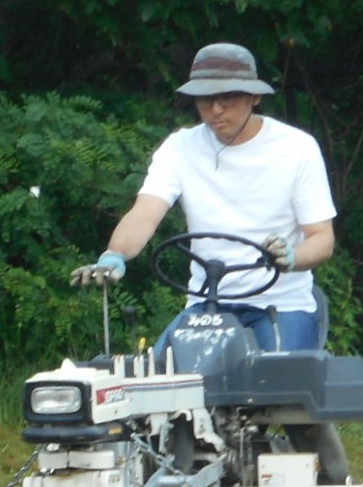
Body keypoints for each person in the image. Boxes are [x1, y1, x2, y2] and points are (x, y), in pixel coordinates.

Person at [72, 42, 337, 354]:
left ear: (254, 97)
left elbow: (322, 239)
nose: (216, 109)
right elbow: (144, 213)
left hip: (280, 304)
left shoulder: (296, 148)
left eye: (227, 98)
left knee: (276, 390)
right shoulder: (179, 147)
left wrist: (291, 258)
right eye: (206, 99)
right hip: (205, 305)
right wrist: (112, 256)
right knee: (159, 382)